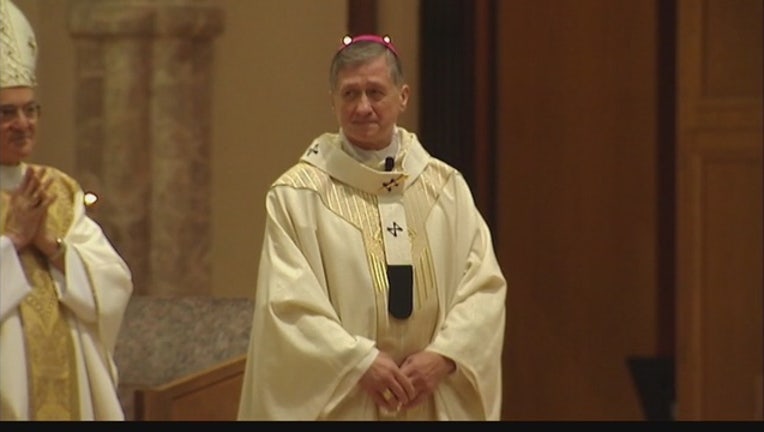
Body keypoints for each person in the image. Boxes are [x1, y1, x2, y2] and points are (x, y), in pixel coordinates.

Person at [237, 34, 507, 421]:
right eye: (350, 94)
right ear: (332, 100)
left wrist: (445, 356)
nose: (363, 107)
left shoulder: (445, 189)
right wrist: (357, 362)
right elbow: (287, 306)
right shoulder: (297, 195)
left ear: (403, 96)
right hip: (348, 402)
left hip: (428, 399)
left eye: (375, 92)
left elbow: (484, 288)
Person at [0, 0, 133, 420]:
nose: (23, 123)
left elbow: (113, 285)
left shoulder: (58, 189)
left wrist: (52, 247)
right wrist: (12, 242)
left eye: (30, 109)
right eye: (7, 112)